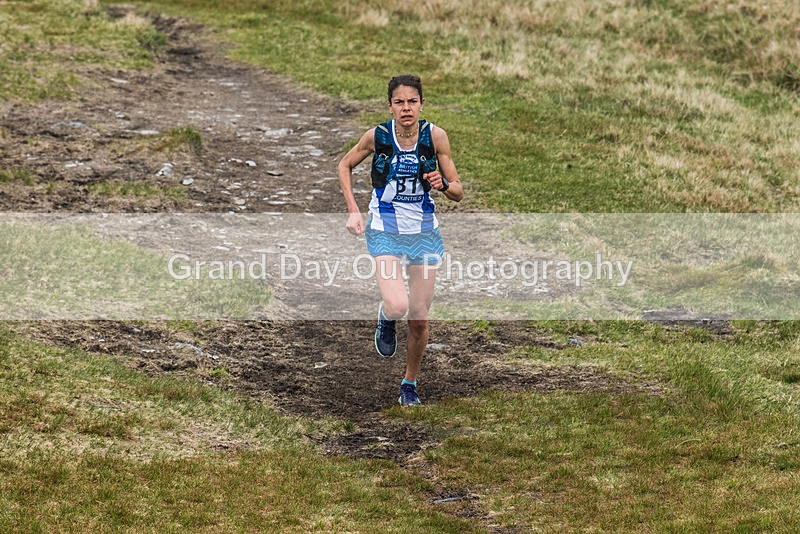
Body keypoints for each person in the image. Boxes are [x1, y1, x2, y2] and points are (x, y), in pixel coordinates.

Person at [337, 74, 463, 407]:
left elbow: (458, 192)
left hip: (423, 233)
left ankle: (409, 384)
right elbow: (345, 166)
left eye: (412, 101)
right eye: (399, 102)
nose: (406, 108)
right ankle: (386, 316)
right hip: (385, 231)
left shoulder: (436, 137)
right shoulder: (377, 136)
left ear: (421, 104)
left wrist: (443, 184)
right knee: (398, 306)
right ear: (390, 106)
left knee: (419, 318)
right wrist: (353, 211)